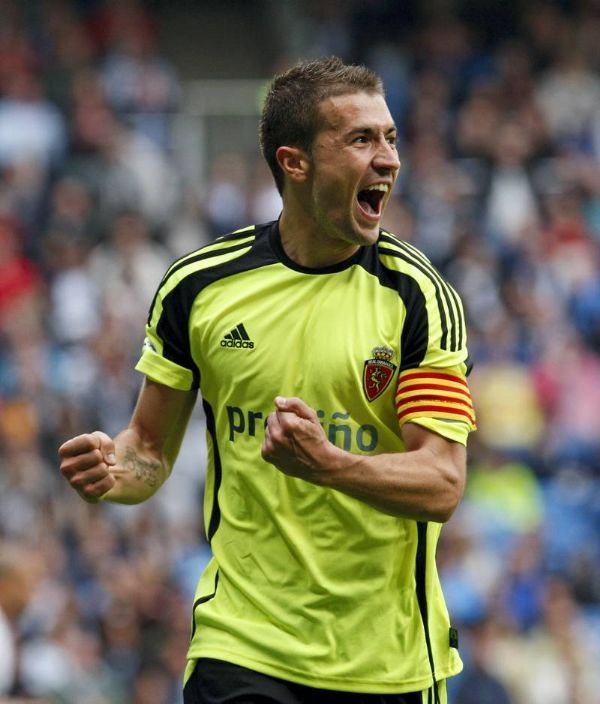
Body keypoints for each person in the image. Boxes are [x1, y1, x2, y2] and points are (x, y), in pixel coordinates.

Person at [59, 56, 476, 704]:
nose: (389, 159)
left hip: (385, 663)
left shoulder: (419, 299)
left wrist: (331, 465)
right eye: (362, 139)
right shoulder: (198, 288)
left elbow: (443, 481)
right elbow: (148, 448)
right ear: (295, 161)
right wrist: (115, 471)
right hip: (242, 644)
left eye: (390, 137)